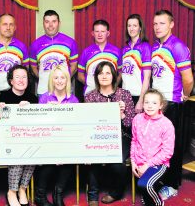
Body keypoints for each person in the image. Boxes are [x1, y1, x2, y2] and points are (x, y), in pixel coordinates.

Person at [151, 9, 194, 199]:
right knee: (158, 145)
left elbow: (189, 78)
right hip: (156, 103)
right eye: (155, 23)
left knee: (172, 146)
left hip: (172, 103)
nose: (157, 27)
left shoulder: (178, 46)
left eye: (162, 23)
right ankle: (160, 179)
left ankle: (172, 184)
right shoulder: (155, 46)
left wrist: (184, 95)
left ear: (171, 24)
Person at [84, 61, 135, 205]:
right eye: (101, 73)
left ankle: (116, 192)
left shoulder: (124, 95)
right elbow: (87, 123)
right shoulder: (90, 97)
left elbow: (131, 126)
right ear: (96, 77)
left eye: (108, 73)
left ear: (113, 75)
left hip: (121, 136)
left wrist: (122, 116)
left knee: (118, 162)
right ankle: (92, 195)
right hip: (97, 135)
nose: (104, 76)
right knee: (92, 156)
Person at [35, 65, 79, 206]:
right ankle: (40, 195)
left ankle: (58, 193)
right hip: (48, 139)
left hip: (66, 140)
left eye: (63, 77)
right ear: (51, 80)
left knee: (69, 157)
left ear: (67, 80)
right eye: (56, 78)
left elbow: (76, 125)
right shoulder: (44, 99)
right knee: (49, 158)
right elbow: (39, 124)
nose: (59, 81)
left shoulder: (73, 100)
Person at [0, 64, 38, 206]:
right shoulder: (2, 97)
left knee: (33, 150)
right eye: (17, 77)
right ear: (11, 81)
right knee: (18, 152)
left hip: (27, 137)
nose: (21, 80)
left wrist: (29, 110)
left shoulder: (33, 98)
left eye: (24, 77)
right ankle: (12, 191)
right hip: (8, 140)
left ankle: (23, 188)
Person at [131, 89, 175, 206]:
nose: (150, 106)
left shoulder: (166, 124)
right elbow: (134, 141)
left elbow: (167, 152)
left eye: (154, 103)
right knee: (145, 195)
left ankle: (159, 202)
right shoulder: (137, 119)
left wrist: (147, 165)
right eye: (147, 102)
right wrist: (133, 161)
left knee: (145, 184)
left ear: (161, 105)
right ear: (143, 103)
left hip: (158, 164)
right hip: (139, 162)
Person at [30, 10, 78, 95]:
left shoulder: (70, 42)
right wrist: (43, 78)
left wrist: (63, 80)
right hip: (43, 91)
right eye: (47, 22)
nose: (50, 25)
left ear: (59, 23)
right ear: (43, 23)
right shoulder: (35, 44)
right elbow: (33, 67)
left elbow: (74, 66)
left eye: (54, 21)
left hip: (64, 91)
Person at [78, 19, 122, 95]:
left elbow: (121, 73)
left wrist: (114, 86)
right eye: (97, 31)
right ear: (93, 33)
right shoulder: (86, 52)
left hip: (110, 94)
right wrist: (92, 84)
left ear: (108, 33)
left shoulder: (117, 51)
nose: (100, 34)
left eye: (102, 31)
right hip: (90, 93)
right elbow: (80, 75)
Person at [121, 14, 151, 113]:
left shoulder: (145, 47)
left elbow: (147, 77)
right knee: (126, 127)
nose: (131, 28)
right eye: (129, 26)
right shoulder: (125, 48)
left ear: (140, 28)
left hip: (138, 95)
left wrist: (141, 100)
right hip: (125, 95)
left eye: (135, 25)